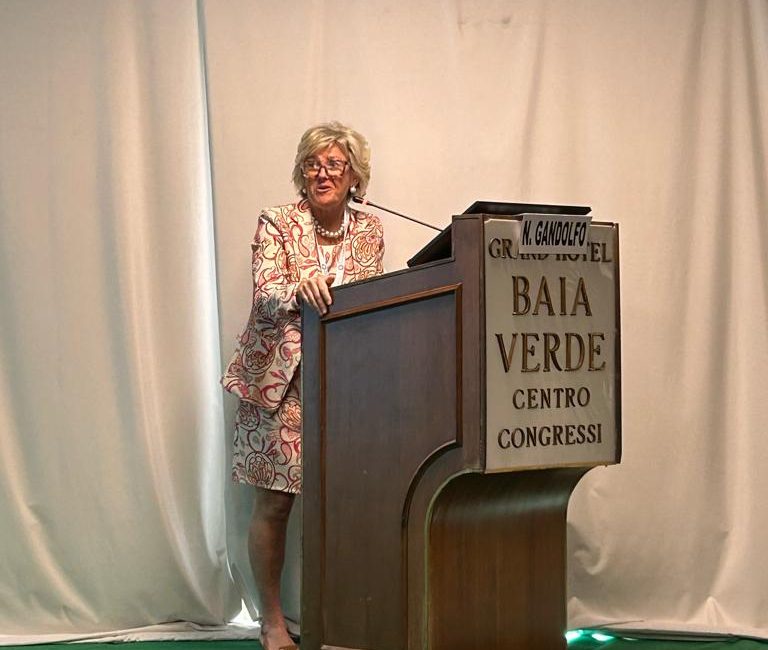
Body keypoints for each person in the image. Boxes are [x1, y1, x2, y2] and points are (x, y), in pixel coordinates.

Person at [221, 122, 385, 650]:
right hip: (277, 385)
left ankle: (335, 618)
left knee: (343, 503)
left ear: (354, 175)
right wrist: (300, 287)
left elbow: (370, 298)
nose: (322, 173)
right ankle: (271, 622)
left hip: (344, 385)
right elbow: (266, 292)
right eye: (313, 164)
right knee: (274, 505)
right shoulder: (277, 222)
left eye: (335, 164)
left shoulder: (370, 229)